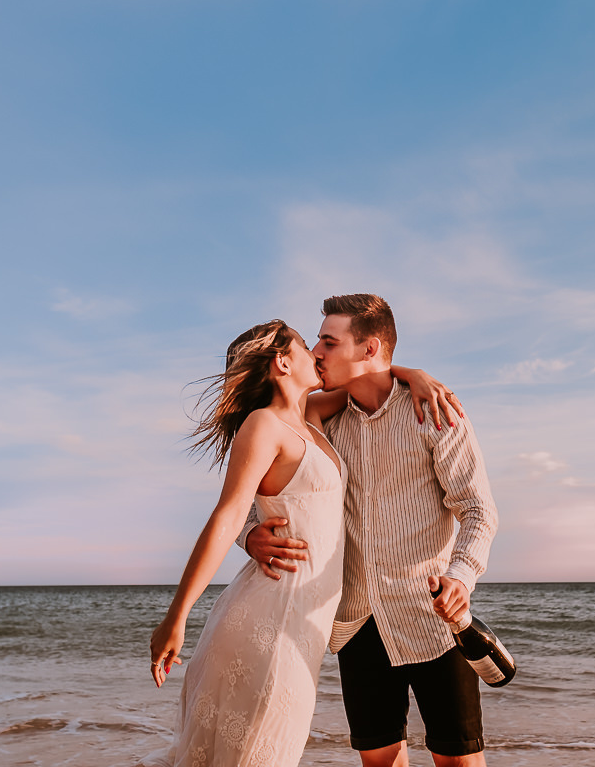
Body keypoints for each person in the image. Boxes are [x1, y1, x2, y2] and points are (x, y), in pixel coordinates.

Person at [140, 319, 458, 767]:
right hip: (269, 617)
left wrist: (415, 375)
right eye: (308, 346)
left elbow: (370, 377)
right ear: (283, 362)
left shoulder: (310, 417)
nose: (318, 354)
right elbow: (227, 516)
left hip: (302, 628)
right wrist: (178, 616)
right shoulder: (263, 425)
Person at [243, 294, 498, 767]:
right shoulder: (321, 423)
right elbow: (256, 487)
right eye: (317, 341)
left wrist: (462, 577)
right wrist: (250, 534)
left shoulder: (434, 412)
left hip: (432, 618)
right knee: (380, 761)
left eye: (328, 341)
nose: (316, 351)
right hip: (358, 622)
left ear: (369, 348)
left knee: (458, 760)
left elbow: (478, 510)